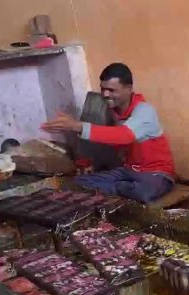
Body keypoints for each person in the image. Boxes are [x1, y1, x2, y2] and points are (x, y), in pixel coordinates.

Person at [40, 62, 176, 203]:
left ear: (128, 89)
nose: (105, 94)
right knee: (78, 182)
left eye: (112, 90)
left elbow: (125, 136)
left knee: (142, 192)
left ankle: (113, 189)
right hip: (128, 172)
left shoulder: (145, 111)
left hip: (156, 173)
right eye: (103, 89)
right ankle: (117, 188)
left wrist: (78, 126)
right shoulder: (113, 111)